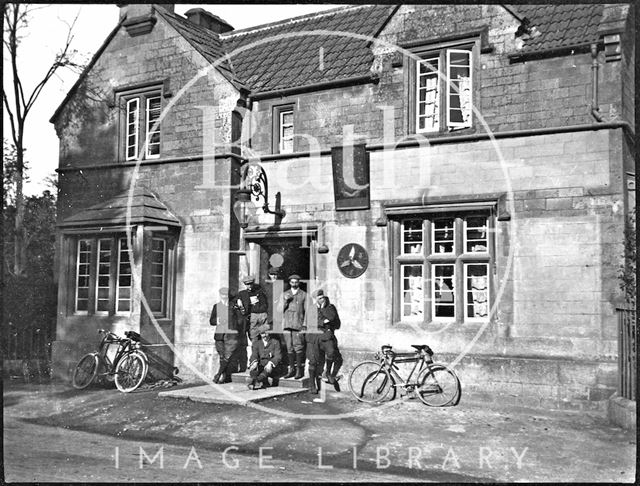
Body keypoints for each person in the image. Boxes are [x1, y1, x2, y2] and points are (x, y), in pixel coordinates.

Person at [209, 287, 242, 383]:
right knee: (222, 356)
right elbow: (211, 321)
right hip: (219, 335)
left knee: (227, 356)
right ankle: (224, 376)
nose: (224, 296)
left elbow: (240, 320)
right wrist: (217, 321)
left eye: (226, 295)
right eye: (222, 295)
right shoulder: (216, 306)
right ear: (220, 295)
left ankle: (219, 375)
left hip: (231, 335)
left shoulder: (233, 306)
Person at [312, 289, 343, 392]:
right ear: (316, 299)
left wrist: (323, 312)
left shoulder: (330, 307)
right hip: (316, 337)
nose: (322, 300)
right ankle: (315, 385)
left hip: (328, 335)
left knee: (331, 352)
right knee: (315, 361)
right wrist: (323, 321)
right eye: (320, 298)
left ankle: (328, 373)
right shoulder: (312, 309)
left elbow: (333, 319)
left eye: (323, 298)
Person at [279, 274, 307, 379]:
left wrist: (304, 324)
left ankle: (299, 370)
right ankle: (291, 369)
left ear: (299, 283)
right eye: (292, 282)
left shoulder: (304, 295)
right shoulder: (284, 294)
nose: (294, 284)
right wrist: (285, 301)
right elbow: (278, 310)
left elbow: (307, 311)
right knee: (289, 348)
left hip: (298, 325)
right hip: (286, 325)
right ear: (289, 283)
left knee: (298, 347)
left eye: (296, 282)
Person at [248, 324, 284, 390]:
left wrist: (270, 363)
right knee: (254, 369)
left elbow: (278, 356)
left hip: (272, 366)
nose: (264, 335)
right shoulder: (257, 343)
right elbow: (254, 355)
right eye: (262, 334)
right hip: (261, 364)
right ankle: (254, 380)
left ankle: (256, 381)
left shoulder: (275, 342)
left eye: (266, 333)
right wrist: (254, 362)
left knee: (267, 370)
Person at [237, 275, 269, 343]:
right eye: (247, 284)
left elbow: (265, 303)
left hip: (262, 315)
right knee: (253, 336)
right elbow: (238, 305)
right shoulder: (242, 294)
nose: (249, 286)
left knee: (265, 335)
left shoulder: (260, 292)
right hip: (251, 317)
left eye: (251, 284)